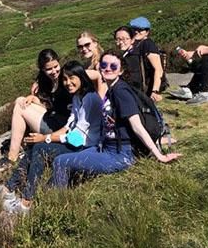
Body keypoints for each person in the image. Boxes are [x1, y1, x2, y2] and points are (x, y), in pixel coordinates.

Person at [49, 51, 181, 190]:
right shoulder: (112, 90)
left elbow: (137, 126)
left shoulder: (121, 92)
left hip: (120, 154)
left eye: (113, 66)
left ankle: (57, 200)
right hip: (106, 148)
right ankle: (41, 200)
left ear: (121, 70)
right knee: (65, 159)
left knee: (61, 161)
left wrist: (159, 156)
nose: (108, 68)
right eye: (104, 65)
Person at [0, 61, 103, 214]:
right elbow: (68, 127)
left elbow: (78, 137)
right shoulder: (77, 97)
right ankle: (8, 189)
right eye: (65, 80)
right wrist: (46, 137)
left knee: (40, 148)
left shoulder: (90, 99)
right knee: (36, 147)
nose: (68, 83)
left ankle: (26, 203)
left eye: (72, 78)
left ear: (81, 76)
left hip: (86, 147)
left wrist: (46, 139)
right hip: (77, 143)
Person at [0, 49, 71, 171]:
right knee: (20, 100)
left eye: (56, 66)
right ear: (42, 70)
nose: (54, 71)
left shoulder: (66, 80)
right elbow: (51, 107)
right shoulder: (47, 81)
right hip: (55, 119)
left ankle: (12, 157)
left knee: (20, 108)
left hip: (62, 128)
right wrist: (33, 98)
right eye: (49, 69)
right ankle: (19, 148)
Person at [125, 17, 164, 102]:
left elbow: (158, 69)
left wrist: (155, 91)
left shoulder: (148, 44)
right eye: (134, 29)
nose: (136, 32)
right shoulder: (136, 44)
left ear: (147, 32)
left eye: (140, 30)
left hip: (145, 88)